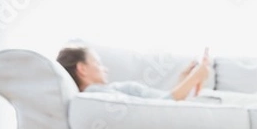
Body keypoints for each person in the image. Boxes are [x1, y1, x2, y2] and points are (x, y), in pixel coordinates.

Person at [56, 45, 210, 100]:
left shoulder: (106, 92)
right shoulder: (95, 94)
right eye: (97, 63)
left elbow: (163, 103)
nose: (105, 69)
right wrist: (196, 76)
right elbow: (160, 107)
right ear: (82, 68)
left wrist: (184, 79)